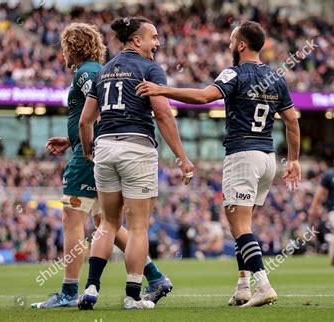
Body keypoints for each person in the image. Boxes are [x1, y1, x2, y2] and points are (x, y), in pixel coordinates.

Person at [136, 20, 301, 308]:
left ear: (241, 45)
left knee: (240, 227)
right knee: (240, 224)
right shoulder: (277, 78)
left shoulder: (234, 73)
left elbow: (203, 97)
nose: (227, 44)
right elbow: (291, 121)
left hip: (242, 155)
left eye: (231, 39)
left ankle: (263, 285)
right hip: (267, 158)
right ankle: (242, 286)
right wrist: (295, 159)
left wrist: (162, 90)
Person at [32, 22, 170, 309]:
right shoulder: (94, 70)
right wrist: (71, 140)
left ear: (73, 47)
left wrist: (84, 149)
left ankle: (70, 291)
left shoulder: (88, 72)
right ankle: (154, 276)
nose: (62, 54)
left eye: (64, 48)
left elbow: (102, 113)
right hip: (96, 151)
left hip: (93, 157)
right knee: (105, 223)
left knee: (73, 218)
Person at [77, 16, 194, 310]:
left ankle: (91, 288)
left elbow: (85, 121)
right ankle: (131, 295)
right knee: (139, 227)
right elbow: (164, 116)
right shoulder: (149, 69)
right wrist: (182, 157)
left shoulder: (103, 71)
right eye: (153, 37)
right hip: (136, 147)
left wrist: (90, 151)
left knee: (107, 224)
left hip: (105, 147)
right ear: (137, 40)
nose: (158, 42)